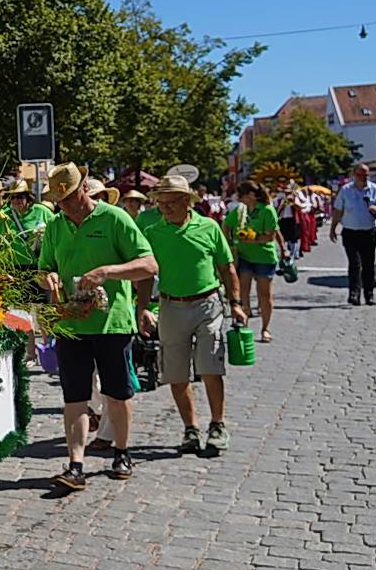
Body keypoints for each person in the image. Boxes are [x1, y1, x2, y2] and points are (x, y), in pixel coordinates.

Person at [35, 163, 158, 491]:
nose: (66, 206)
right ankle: (76, 465)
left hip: (111, 323)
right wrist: (47, 277)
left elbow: (148, 264)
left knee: (116, 393)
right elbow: (44, 267)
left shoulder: (115, 218)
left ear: (84, 188)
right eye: (59, 201)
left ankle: (122, 452)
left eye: (70, 198)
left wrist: (109, 271)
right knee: (74, 396)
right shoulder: (56, 225)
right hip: (70, 323)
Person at [136, 174, 245, 456]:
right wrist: (144, 306)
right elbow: (147, 275)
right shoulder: (152, 233)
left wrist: (236, 302)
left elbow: (227, 268)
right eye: (161, 203)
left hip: (207, 304)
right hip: (170, 306)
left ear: (187, 201)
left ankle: (217, 425)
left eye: (171, 202)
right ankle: (190, 428)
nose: (165, 208)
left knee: (210, 367)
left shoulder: (209, 227)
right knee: (176, 373)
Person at [224, 180, 282, 342]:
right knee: (243, 293)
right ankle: (245, 326)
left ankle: (265, 329)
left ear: (250, 195)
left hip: (264, 257)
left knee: (264, 294)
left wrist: (253, 239)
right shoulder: (239, 210)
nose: (238, 198)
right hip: (244, 257)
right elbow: (226, 223)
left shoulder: (267, 210)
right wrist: (229, 241)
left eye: (240, 195)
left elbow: (270, 236)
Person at [330, 163, 376, 306]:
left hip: (369, 232)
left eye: (365, 175)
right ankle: (354, 294)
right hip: (350, 232)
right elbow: (338, 210)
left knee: (368, 264)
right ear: (354, 175)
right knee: (354, 263)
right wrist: (333, 228)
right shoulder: (345, 190)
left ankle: (369, 294)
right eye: (360, 175)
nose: (362, 178)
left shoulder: (375, 189)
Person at [274, 183, 306, 262]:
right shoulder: (279, 199)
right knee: (284, 238)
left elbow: (300, 207)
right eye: (285, 192)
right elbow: (276, 210)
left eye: (288, 192)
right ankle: (286, 253)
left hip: (293, 220)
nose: (287, 193)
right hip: (283, 219)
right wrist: (282, 205)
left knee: (293, 238)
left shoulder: (295, 198)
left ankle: (294, 254)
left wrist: (293, 202)